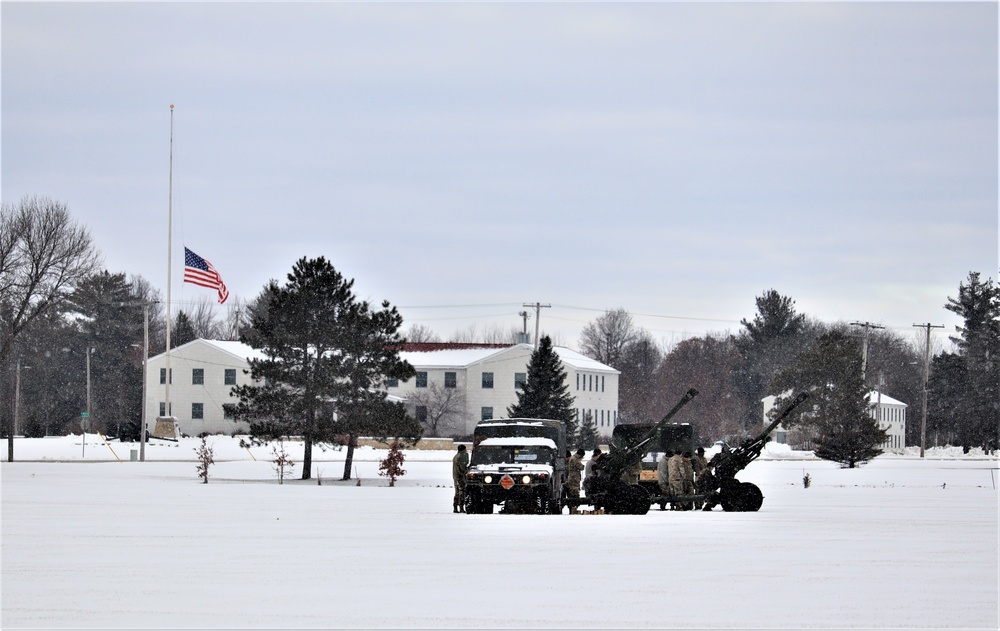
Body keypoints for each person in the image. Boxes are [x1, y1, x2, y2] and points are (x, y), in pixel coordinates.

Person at [566, 449, 585, 514]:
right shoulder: (574, 459)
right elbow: (581, 467)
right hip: (574, 479)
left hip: (573, 478)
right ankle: (573, 508)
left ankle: (573, 508)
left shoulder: (573, 458)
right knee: (574, 493)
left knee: (573, 492)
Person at [452, 444, 469, 513]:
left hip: (455, 476)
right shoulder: (461, 456)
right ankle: (461, 507)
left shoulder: (456, 456)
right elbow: (462, 467)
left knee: (457, 492)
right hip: (460, 477)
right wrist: (466, 471)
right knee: (462, 492)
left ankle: (455, 507)